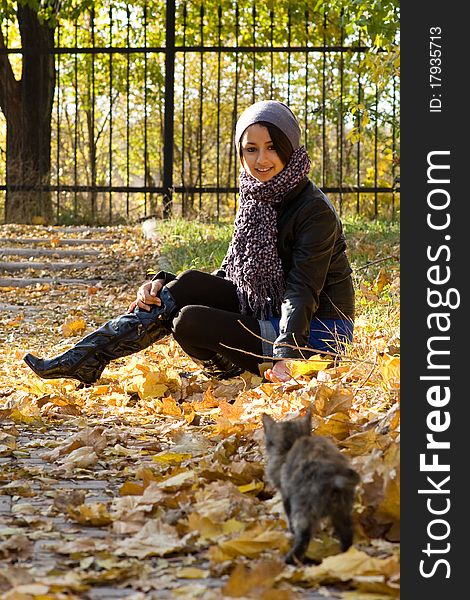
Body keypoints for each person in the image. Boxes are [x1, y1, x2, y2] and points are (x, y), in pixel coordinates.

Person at [23, 100, 355, 385]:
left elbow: (301, 292)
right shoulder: (258, 196)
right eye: (251, 149)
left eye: (272, 147)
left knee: (190, 321)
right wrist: (162, 283)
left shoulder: (313, 211)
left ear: (289, 148)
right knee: (189, 283)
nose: (261, 160)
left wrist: (288, 357)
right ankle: (87, 358)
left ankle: (231, 371)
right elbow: (231, 272)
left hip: (317, 332)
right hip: (270, 309)